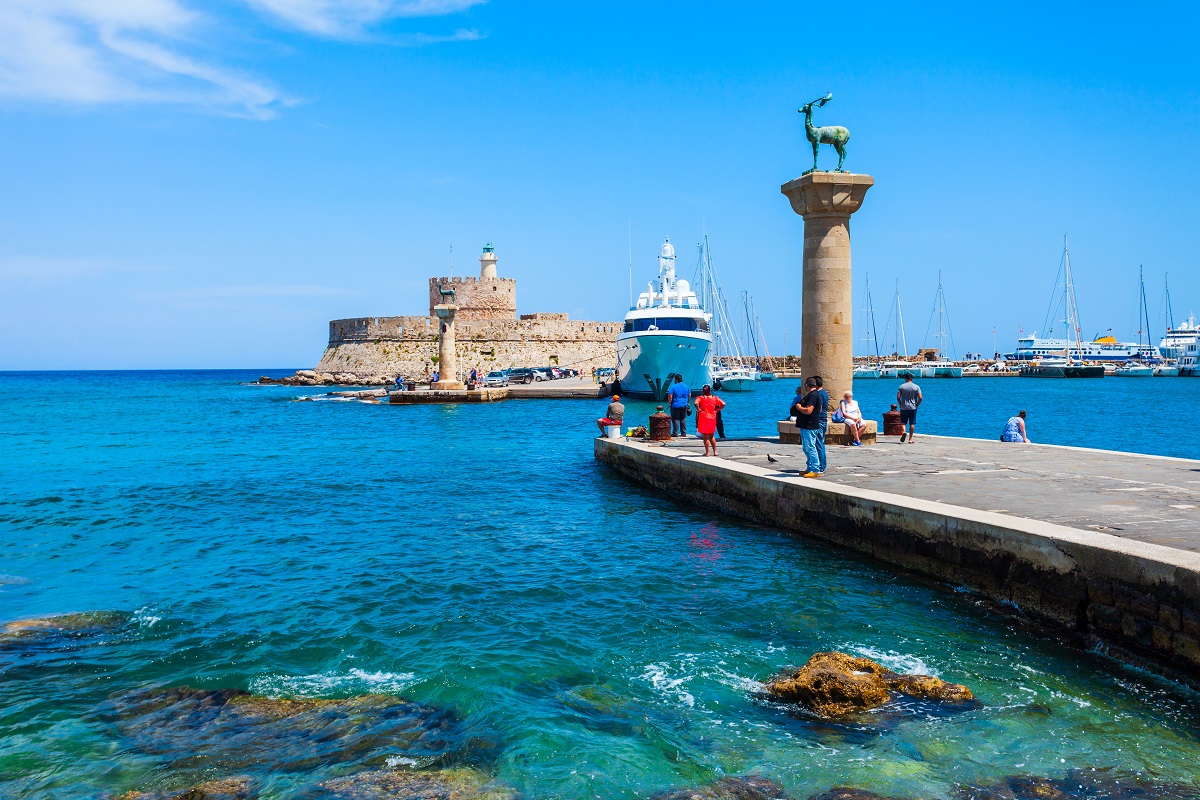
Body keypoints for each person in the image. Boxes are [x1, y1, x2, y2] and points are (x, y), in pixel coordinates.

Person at [794, 377, 824, 477]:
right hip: (809, 425)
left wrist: (799, 407)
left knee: (810, 448)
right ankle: (810, 468)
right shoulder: (816, 395)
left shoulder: (812, 396)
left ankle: (815, 469)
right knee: (806, 448)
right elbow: (819, 409)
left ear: (806, 385)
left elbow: (808, 410)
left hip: (809, 426)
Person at [694, 385, 726, 456]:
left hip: (704, 417)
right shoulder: (714, 398)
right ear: (710, 391)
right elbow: (723, 404)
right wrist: (716, 410)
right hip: (712, 417)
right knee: (711, 436)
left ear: (703, 391)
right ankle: (715, 452)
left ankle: (707, 452)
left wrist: (698, 409)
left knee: (705, 436)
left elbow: (695, 403)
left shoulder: (700, 398)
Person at [896, 372, 922, 443]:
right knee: (912, 423)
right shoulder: (916, 387)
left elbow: (898, 397)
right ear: (911, 379)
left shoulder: (901, 387)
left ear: (906, 378)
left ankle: (904, 432)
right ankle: (910, 439)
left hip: (904, 407)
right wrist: (917, 405)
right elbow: (920, 398)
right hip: (913, 407)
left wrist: (900, 404)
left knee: (903, 422)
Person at [812, 375, 829, 472]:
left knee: (818, 444)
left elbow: (820, 408)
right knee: (820, 443)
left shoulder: (819, 394)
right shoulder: (825, 393)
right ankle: (821, 465)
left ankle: (821, 466)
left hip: (819, 421)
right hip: (824, 420)